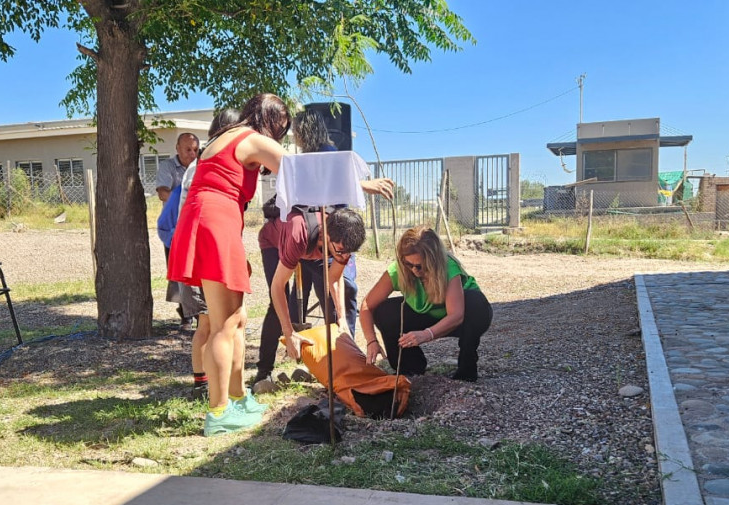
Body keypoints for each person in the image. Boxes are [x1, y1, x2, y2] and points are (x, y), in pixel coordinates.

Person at [167, 92, 393, 437]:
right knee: (223, 323)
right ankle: (218, 411)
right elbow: (304, 176)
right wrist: (363, 184)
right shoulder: (252, 139)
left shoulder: (225, 137)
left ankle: (238, 397)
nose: (282, 138)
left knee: (237, 318)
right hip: (215, 218)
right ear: (270, 121)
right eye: (282, 129)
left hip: (213, 218)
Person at [254, 110, 355, 393]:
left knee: (333, 307)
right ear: (327, 236)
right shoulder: (299, 232)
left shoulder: (341, 241)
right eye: (335, 251)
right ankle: (263, 373)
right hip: (277, 242)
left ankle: (337, 370)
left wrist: (344, 323)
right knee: (281, 303)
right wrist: (289, 333)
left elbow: (334, 281)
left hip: (313, 242)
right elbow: (276, 288)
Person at [156, 109, 240, 400]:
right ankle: (209, 389)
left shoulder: (202, 164)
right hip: (198, 251)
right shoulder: (206, 166)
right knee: (211, 322)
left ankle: (213, 385)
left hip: (195, 250)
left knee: (214, 321)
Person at [359, 226, 492, 382]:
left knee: (475, 303)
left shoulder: (448, 267)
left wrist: (427, 334)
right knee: (385, 311)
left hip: (462, 318)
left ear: (433, 260)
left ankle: (466, 370)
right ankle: (410, 368)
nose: (414, 270)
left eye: (420, 266)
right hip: (426, 314)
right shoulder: (398, 270)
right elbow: (367, 306)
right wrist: (371, 341)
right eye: (409, 264)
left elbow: (456, 315)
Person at [155, 132, 200, 203]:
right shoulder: (167, 165)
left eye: (195, 150)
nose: (193, 154)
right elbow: (163, 194)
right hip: (175, 213)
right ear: (178, 148)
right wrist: (189, 200)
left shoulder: (201, 167)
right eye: (188, 150)